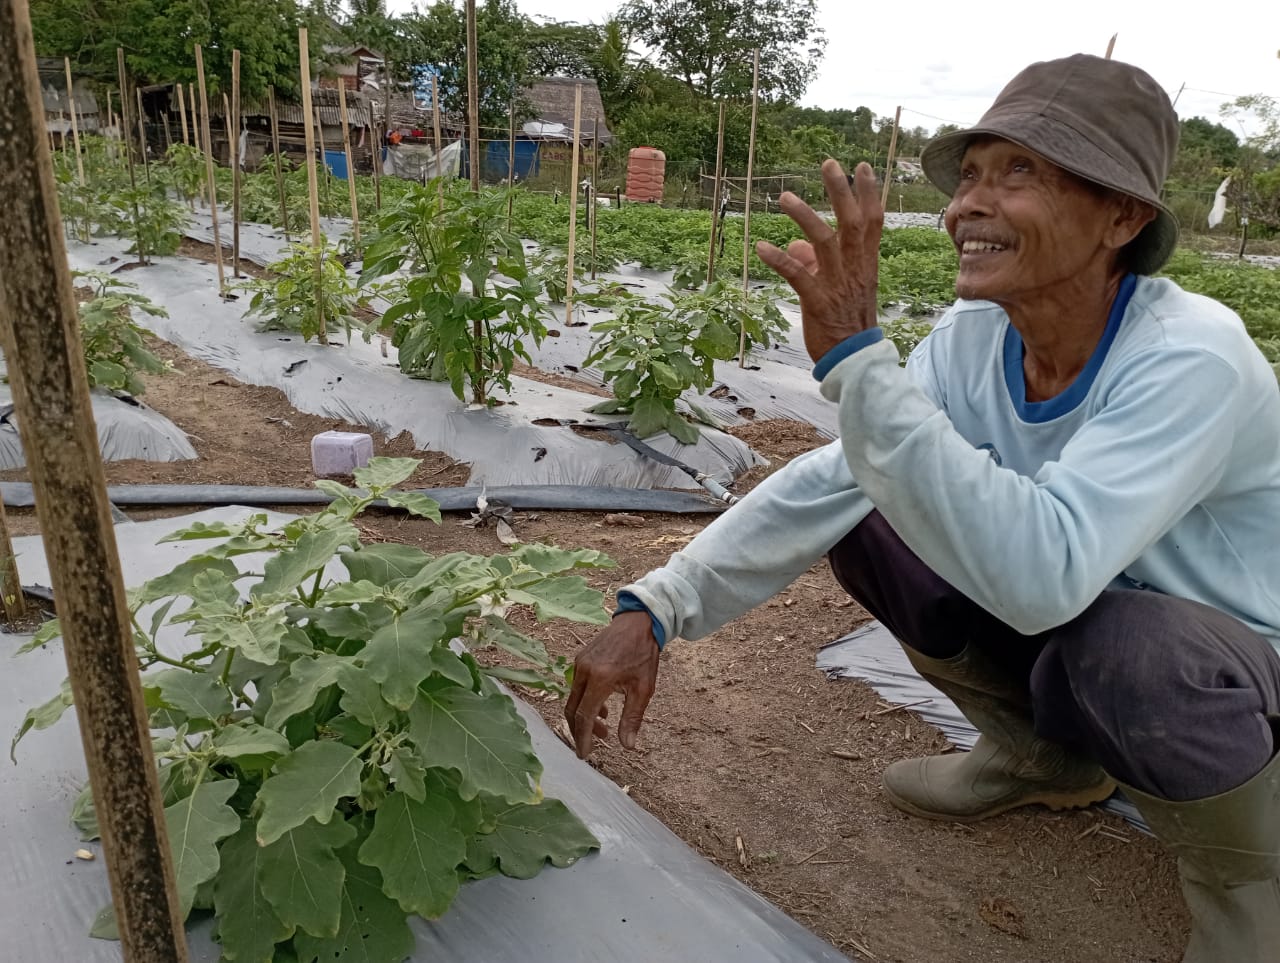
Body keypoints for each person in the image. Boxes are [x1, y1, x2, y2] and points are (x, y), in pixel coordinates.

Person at [565, 54, 1280, 963]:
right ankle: (1041, 762)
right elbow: (839, 476)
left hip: (1231, 661)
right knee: (876, 521)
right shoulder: (976, 334)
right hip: (1085, 624)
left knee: (1134, 649)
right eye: (972, 173)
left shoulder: (1190, 357)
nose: (968, 205)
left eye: (1020, 172)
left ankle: (1244, 884)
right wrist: (657, 607)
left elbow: (1046, 580)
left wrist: (862, 360)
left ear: (1123, 216)